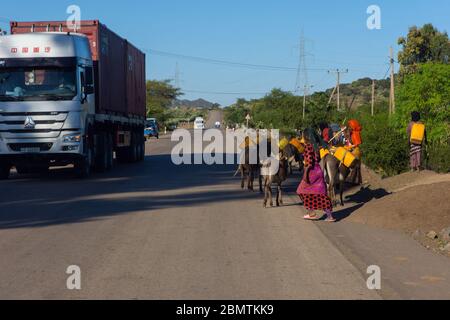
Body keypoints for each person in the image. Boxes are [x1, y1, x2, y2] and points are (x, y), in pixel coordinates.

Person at [297, 128, 336, 222]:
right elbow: (317, 159)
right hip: (318, 170)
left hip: (311, 173)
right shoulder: (316, 147)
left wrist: (305, 174)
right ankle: (329, 216)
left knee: (301, 191)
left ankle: (311, 213)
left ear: (306, 136)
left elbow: (309, 162)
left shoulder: (308, 147)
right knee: (321, 194)